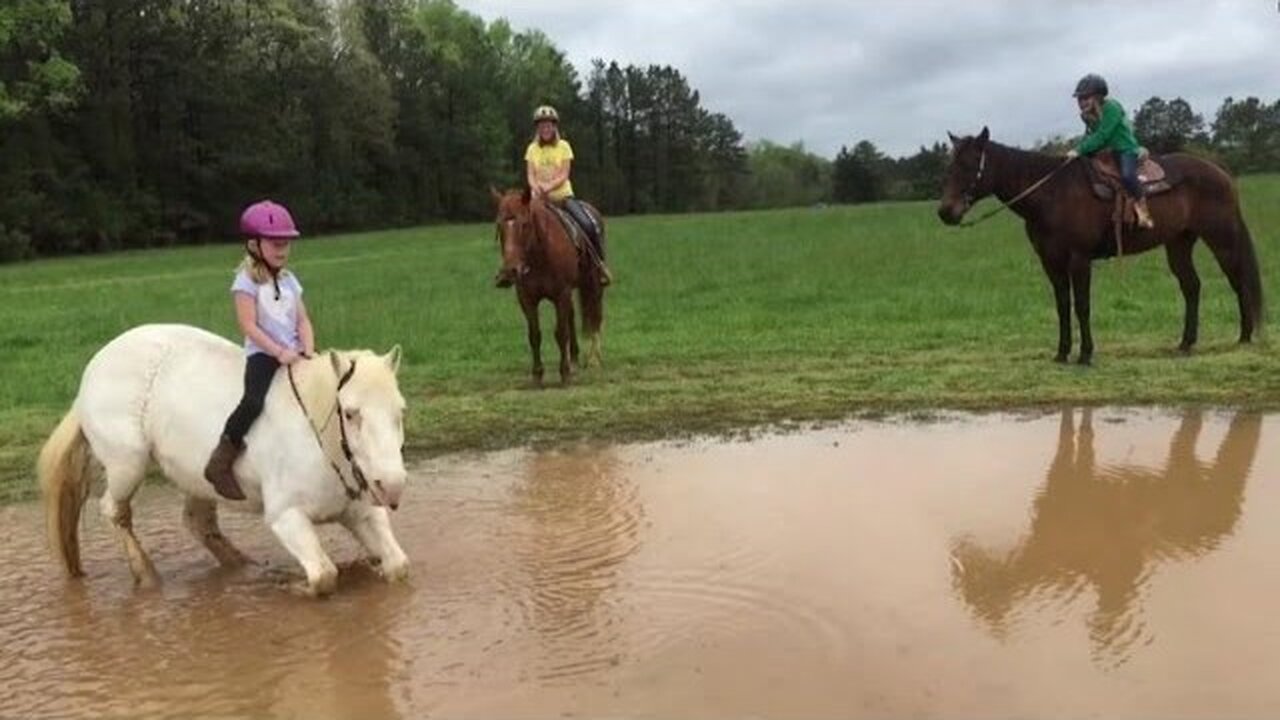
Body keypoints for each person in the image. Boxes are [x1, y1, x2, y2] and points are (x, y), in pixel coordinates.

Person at [203, 199, 315, 500]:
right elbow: (249, 326)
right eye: (275, 244)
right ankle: (221, 459)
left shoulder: (290, 281)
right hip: (264, 355)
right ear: (254, 245)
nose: (282, 250)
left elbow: (303, 319)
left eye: (286, 244)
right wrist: (278, 352)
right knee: (254, 402)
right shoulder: (245, 283)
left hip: (294, 353)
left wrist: (308, 349)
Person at [524, 105, 613, 285]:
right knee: (518, 228)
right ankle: (515, 269)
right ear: (538, 129)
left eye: (548, 125)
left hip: (563, 198)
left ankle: (599, 265)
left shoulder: (564, 146)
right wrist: (536, 188)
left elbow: (564, 174)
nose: (545, 129)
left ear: (554, 127)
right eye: (542, 126)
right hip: (539, 200)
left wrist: (548, 187)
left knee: (588, 224)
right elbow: (530, 174)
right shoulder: (532, 149)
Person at [1066, 73, 1154, 229]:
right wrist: (1078, 150)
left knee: (1127, 175)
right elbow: (1090, 136)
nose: (1082, 102)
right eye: (1080, 99)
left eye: (1086, 98)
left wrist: (1079, 150)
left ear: (1098, 97)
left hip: (1124, 149)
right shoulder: (1088, 115)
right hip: (1104, 151)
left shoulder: (1111, 108)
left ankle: (1143, 210)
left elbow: (1103, 135)